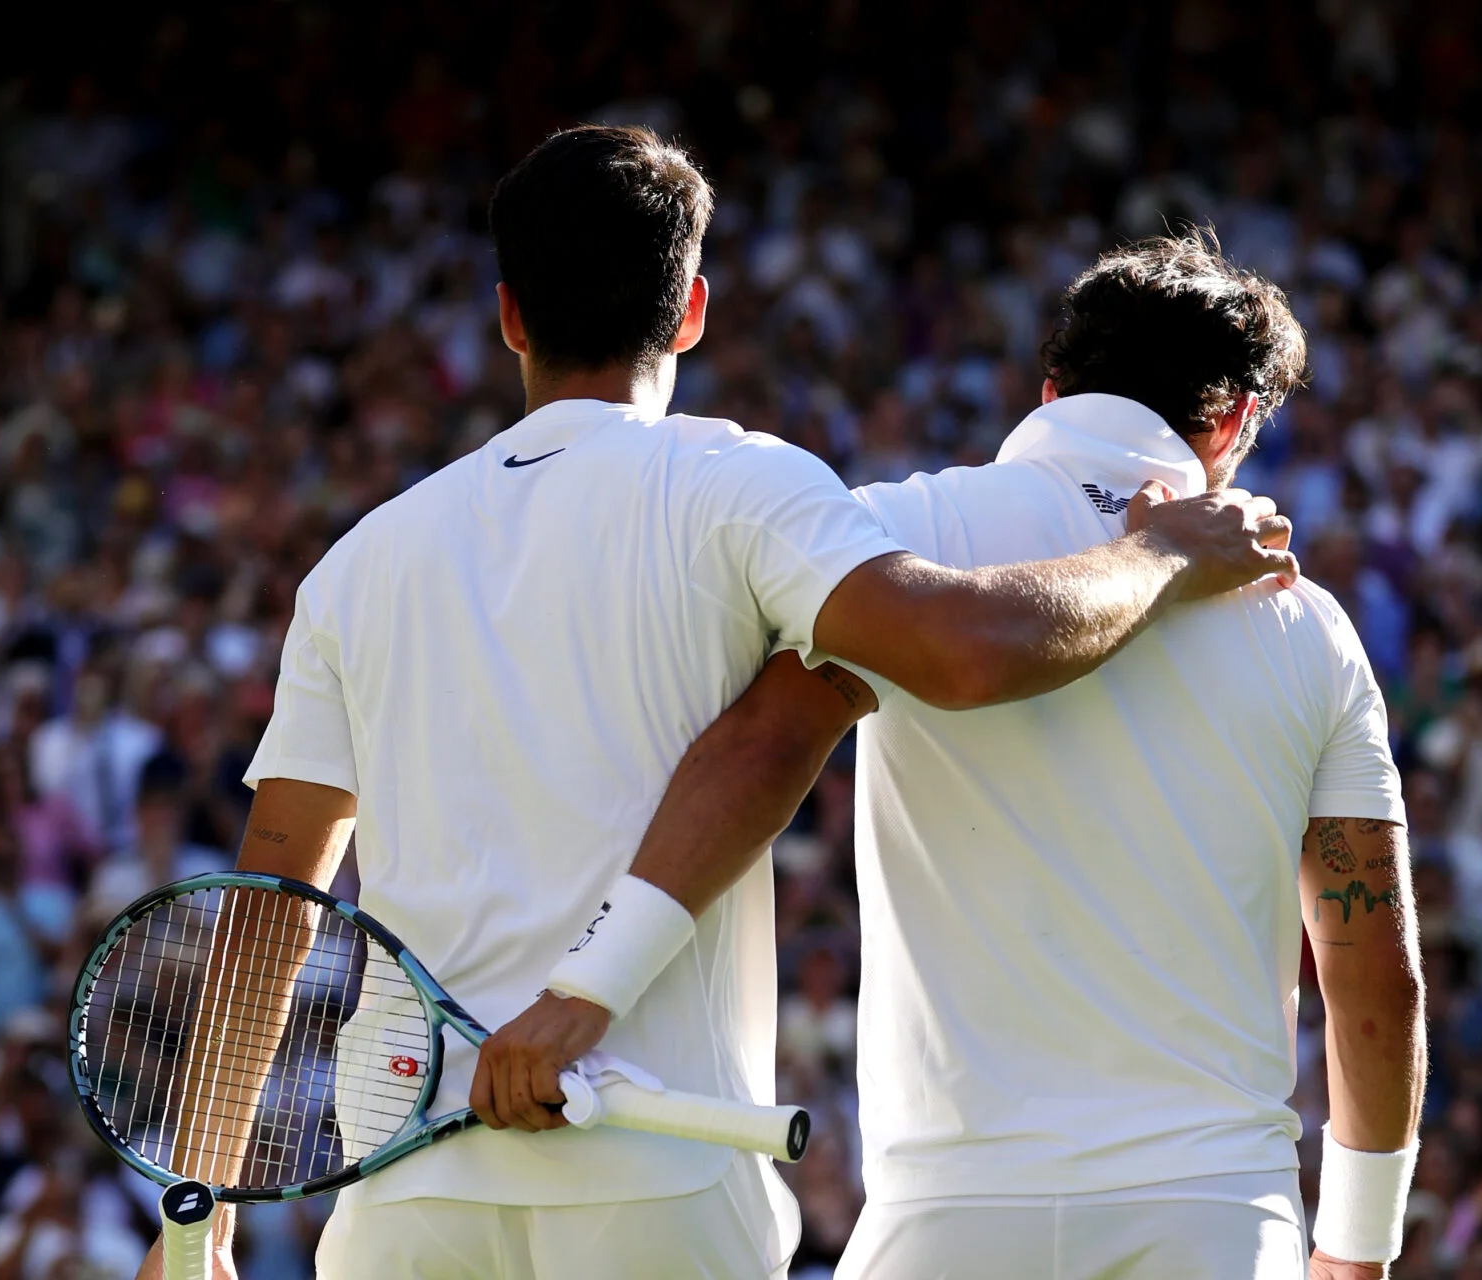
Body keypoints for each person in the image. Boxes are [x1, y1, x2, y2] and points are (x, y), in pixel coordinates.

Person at [136, 129, 1294, 1280]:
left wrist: (199, 1221)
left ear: (508, 316)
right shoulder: (742, 483)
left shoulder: (358, 563)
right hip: (659, 1170)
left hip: (409, 1195)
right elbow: (967, 654)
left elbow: (272, 905)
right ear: (692, 310)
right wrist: (1161, 557)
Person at [487, 233, 1425, 1279]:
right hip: (1213, 1216)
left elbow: (760, 749)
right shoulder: (1312, 626)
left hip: (948, 1214)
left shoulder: (903, 530)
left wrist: (586, 988)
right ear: (1236, 420)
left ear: (1050, 386)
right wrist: (1357, 1249)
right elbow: (1371, 975)